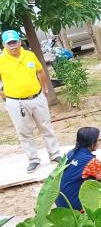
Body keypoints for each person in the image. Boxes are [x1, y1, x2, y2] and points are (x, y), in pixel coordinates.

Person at [0, 30, 62, 173]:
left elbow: (40, 71)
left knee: (46, 126)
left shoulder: (29, 55)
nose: (13, 45)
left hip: (37, 97)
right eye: (9, 43)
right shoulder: (1, 60)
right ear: (4, 44)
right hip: (16, 102)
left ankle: (54, 154)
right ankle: (33, 159)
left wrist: (45, 88)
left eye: (15, 42)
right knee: (24, 131)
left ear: (19, 42)